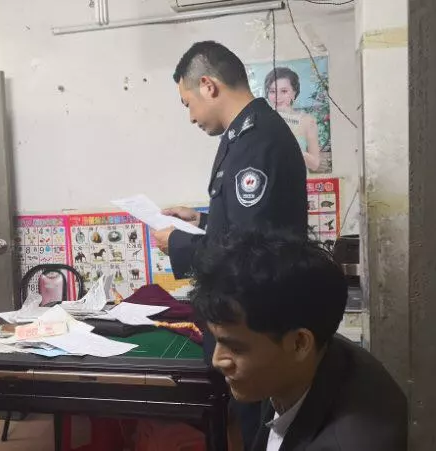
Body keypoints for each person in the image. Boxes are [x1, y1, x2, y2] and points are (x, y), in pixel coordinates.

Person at [150, 41, 308, 449]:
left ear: (208, 85)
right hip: (250, 315)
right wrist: (200, 220)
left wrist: (178, 245)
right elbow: (248, 221)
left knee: (259, 430)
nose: (190, 117)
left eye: (187, 103)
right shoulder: (244, 135)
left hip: (257, 320)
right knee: (251, 424)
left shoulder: (257, 140)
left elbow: (247, 248)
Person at [191, 229, 408, 451]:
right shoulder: (307, 349)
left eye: (236, 348)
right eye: (217, 340)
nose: (217, 361)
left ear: (299, 344)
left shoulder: (348, 442)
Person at [264, 67, 322, 171]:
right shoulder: (262, 120)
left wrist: (291, 146)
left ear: (294, 93)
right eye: (272, 91)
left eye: (284, 91)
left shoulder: (307, 121)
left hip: (297, 179)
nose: (277, 97)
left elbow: (315, 164)